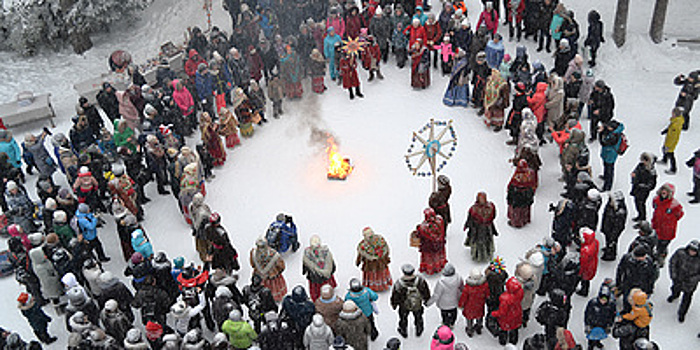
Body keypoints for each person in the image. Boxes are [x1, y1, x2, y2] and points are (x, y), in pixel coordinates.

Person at [390, 264, 431, 338]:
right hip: (417, 304)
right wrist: (427, 300)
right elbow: (426, 291)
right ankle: (419, 330)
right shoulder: (420, 281)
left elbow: (395, 296)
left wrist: (394, 304)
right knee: (418, 317)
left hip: (404, 305)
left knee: (403, 319)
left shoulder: (399, 284)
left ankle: (403, 331)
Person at [652, 183, 684, 266]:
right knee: (657, 242)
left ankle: (661, 257)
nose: (664, 192)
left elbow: (679, 214)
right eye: (663, 189)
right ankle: (658, 254)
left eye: (666, 191)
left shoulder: (674, 205)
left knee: (662, 245)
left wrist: (669, 222)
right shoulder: (656, 200)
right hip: (657, 226)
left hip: (667, 230)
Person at [667, 240, 700, 322]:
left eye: (694, 251)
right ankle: (674, 295)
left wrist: (693, 279)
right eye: (691, 249)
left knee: (687, 299)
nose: (692, 252)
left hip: (690, 284)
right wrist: (674, 275)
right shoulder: (680, 253)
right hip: (678, 279)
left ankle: (682, 314)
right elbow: (673, 263)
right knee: (675, 289)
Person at [355, 227, 392, 292]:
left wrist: (358, 261)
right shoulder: (380, 239)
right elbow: (386, 249)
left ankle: (373, 287)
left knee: (372, 275)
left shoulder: (363, 245)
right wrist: (386, 257)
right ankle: (382, 285)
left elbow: (360, 255)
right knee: (381, 273)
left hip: (370, 265)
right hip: (381, 263)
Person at [464, 192, 498, 262]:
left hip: (487, 228)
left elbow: (493, 216)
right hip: (477, 228)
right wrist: (467, 225)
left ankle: (487, 253)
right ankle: (477, 256)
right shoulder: (474, 208)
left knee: (486, 241)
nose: (482, 200)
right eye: (480, 199)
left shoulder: (491, 207)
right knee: (478, 242)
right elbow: (470, 218)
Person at [250, 237, 287, 302]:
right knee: (275, 287)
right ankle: (276, 298)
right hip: (272, 277)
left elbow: (252, 264)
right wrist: (277, 271)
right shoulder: (274, 254)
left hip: (260, 277)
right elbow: (281, 266)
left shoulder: (253, 253)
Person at [302, 235, 337, 301]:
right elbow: (331, 262)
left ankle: (317, 295)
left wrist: (304, 271)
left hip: (314, 275)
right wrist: (332, 270)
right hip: (326, 275)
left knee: (316, 287)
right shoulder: (326, 252)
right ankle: (328, 292)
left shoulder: (307, 254)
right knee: (326, 283)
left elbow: (305, 263)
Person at [413, 208, 447, 275]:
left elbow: (421, 234)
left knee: (430, 259)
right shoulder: (440, 221)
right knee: (437, 256)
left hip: (428, 247)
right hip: (439, 244)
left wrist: (417, 230)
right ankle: (438, 267)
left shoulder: (424, 227)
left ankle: (430, 269)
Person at [491, 277, 524, 345]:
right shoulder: (520, 292)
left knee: (504, 330)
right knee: (514, 329)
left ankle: (503, 341)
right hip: (517, 313)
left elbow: (502, 312)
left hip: (506, 318)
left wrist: (494, 313)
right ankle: (513, 341)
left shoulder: (505, 300)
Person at [507, 159, 537, 227]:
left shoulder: (518, 174)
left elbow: (512, 182)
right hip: (527, 193)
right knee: (525, 207)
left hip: (517, 194)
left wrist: (509, 189)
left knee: (517, 209)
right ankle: (525, 219)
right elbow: (533, 183)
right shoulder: (530, 173)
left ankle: (517, 222)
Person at [630, 152, 657, 223]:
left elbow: (652, 184)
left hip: (643, 191)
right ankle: (640, 215)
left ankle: (642, 217)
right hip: (637, 188)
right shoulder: (640, 166)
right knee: (637, 202)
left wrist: (643, 186)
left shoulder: (651, 171)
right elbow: (635, 172)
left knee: (641, 203)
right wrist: (634, 177)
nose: (644, 162)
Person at [601, 191, 628, 261]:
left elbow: (618, 227)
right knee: (608, 240)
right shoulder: (611, 206)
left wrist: (613, 236)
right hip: (608, 226)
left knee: (612, 241)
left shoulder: (620, 213)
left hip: (612, 229)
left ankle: (610, 254)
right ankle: (608, 248)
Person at [599, 120, 625, 191]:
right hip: (608, 153)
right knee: (606, 166)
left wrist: (601, 133)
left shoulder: (614, 136)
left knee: (609, 169)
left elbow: (603, 142)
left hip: (610, 154)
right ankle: (605, 177)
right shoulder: (615, 132)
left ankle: (607, 186)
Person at [660, 107, 685, 174]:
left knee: (670, 154)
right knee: (664, 149)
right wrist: (666, 131)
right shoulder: (675, 121)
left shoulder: (676, 125)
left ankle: (673, 169)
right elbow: (670, 128)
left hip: (671, 142)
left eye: (673, 113)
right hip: (669, 140)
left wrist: (668, 146)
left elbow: (673, 137)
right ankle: (664, 160)